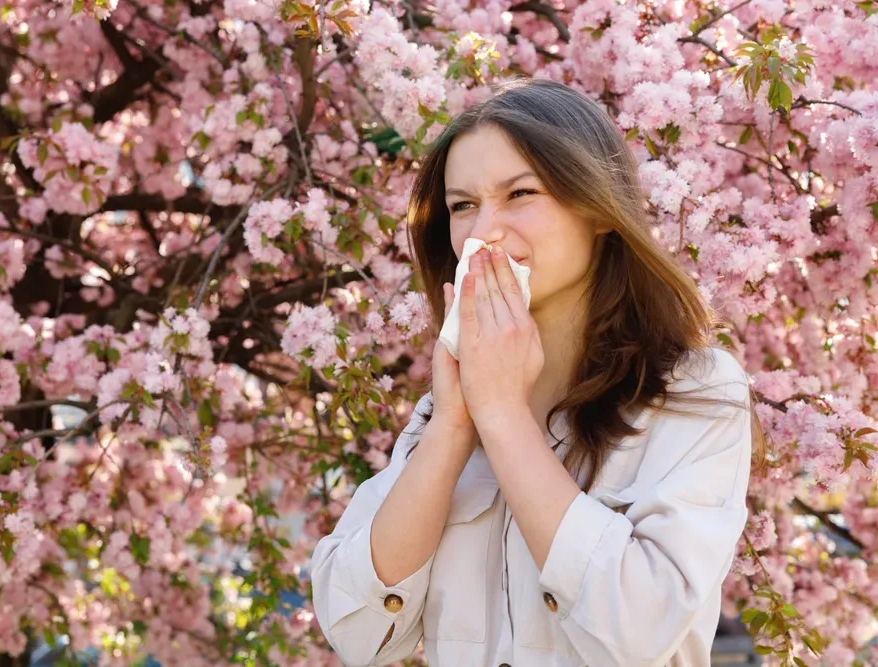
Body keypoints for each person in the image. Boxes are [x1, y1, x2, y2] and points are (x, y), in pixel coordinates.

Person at [309, 78, 767, 667]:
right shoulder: (447, 408)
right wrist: (453, 426)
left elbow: (638, 627)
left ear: (598, 208)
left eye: (520, 193)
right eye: (463, 206)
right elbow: (356, 628)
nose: (482, 233)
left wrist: (503, 418)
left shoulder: (693, 391)